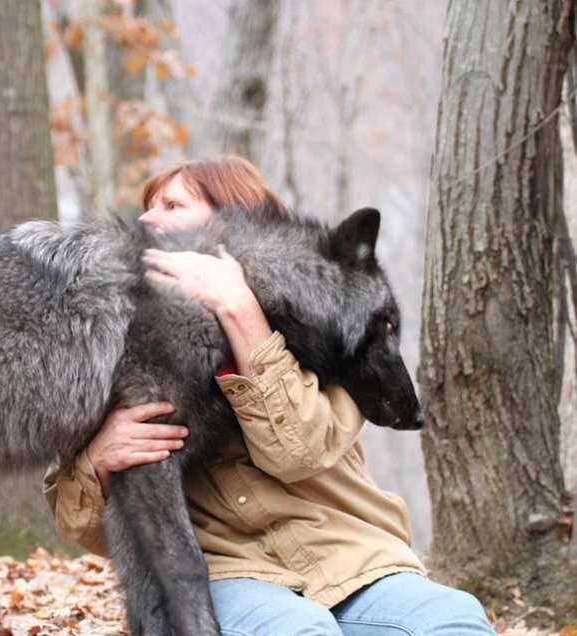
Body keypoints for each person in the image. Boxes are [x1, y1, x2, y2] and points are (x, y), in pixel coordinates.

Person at [43, 155, 494, 635]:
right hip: (227, 574)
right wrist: (99, 460)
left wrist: (239, 310)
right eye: (147, 207)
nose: (148, 220)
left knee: (456, 620)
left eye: (172, 205)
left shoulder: (332, 328)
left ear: (236, 219)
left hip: (351, 563)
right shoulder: (114, 339)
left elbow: (298, 451)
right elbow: (82, 526)